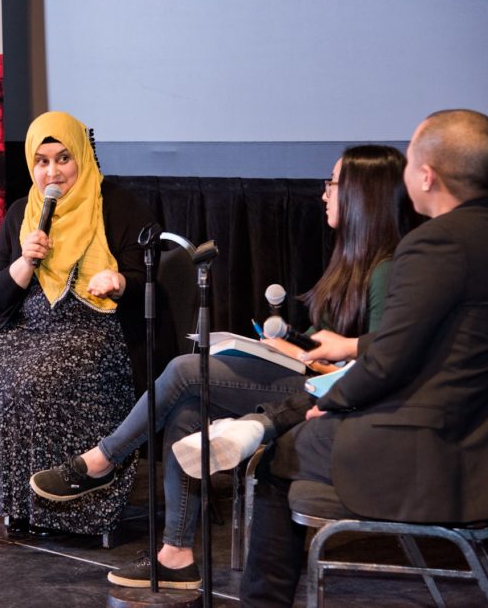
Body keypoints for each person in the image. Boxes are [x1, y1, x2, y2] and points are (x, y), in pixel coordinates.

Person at [31, 145, 412, 589]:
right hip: (309, 376)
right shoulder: (351, 260)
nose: (324, 194)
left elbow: (391, 352)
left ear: (364, 194)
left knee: (184, 370)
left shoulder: (388, 268)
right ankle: (176, 555)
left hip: (329, 399)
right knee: (186, 411)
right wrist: (289, 344)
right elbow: (324, 342)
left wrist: (339, 348)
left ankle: (101, 461)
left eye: (333, 183)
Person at [240, 109, 488, 606]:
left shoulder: (435, 243)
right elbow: (447, 338)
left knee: (278, 453)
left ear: (426, 175)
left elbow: (391, 362)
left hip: (431, 456)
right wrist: (354, 350)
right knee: (299, 425)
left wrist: (334, 402)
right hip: (486, 452)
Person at [0, 111, 155, 537]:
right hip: (32, 331)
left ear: (81, 155)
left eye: (63, 158)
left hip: (96, 330)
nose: (53, 172)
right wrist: (24, 263)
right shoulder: (23, 213)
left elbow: (147, 277)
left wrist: (118, 281)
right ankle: (20, 504)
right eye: (42, 161)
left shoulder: (115, 203)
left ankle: (79, 512)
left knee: (35, 380)